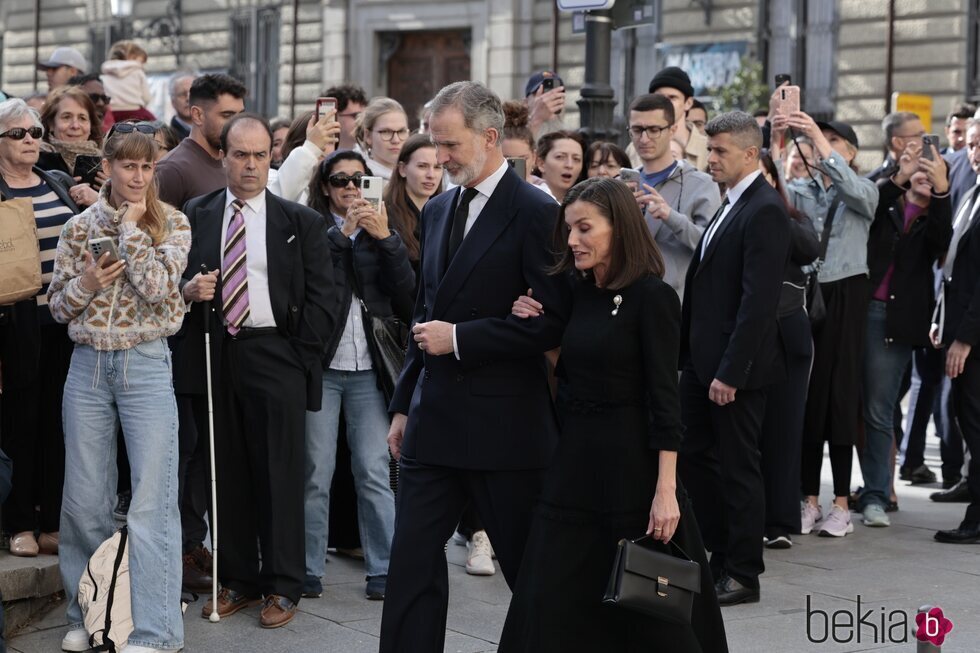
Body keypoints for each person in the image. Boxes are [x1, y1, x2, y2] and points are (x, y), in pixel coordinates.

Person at [378, 81, 570, 652]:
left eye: (450, 145)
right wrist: (402, 404)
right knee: (410, 563)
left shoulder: (537, 212)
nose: (439, 158)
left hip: (506, 428)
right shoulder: (438, 209)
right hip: (434, 419)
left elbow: (554, 320)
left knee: (529, 570)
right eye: (435, 144)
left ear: (489, 138)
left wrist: (462, 338)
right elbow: (425, 314)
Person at [498, 177, 728, 652]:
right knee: (554, 595)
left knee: (646, 606)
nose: (573, 241)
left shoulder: (653, 297)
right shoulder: (581, 294)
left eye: (585, 228)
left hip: (633, 471)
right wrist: (541, 335)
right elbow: (581, 372)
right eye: (568, 229)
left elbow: (666, 401)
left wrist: (666, 493)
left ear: (619, 228)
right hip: (575, 465)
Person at [177, 113, 336, 628]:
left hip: (277, 353)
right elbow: (175, 279)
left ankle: (284, 585)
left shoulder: (300, 221)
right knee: (226, 471)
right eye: (240, 154)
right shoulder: (195, 213)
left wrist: (298, 355)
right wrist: (187, 292)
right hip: (215, 351)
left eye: (260, 155)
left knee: (281, 472)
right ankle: (238, 578)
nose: (250, 165)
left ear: (273, 156)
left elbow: (323, 300)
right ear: (222, 155)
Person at [48, 126, 190, 653]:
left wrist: (132, 232)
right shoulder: (78, 227)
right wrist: (86, 284)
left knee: (152, 501)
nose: (136, 176)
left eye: (145, 166)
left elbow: (157, 290)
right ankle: (86, 616)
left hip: (146, 365)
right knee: (84, 502)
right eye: (126, 166)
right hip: (86, 366)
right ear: (106, 167)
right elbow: (59, 307)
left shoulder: (171, 222)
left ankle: (156, 631)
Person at [677, 111, 790, 606]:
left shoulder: (764, 208)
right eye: (710, 149)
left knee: (738, 468)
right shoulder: (730, 203)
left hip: (733, 371)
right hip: (702, 365)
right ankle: (718, 557)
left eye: (721, 151)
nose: (711, 158)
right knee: (696, 460)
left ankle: (743, 572)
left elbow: (758, 302)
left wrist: (731, 372)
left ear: (751, 154)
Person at [302, 149, 414, 600]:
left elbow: (408, 296)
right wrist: (341, 235)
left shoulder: (385, 227)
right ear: (325, 186)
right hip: (324, 368)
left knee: (373, 468)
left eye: (359, 178)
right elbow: (312, 288)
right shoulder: (312, 228)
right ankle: (307, 568)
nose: (350, 187)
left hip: (370, 370)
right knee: (315, 471)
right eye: (340, 179)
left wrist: (384, 238)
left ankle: (384, 568)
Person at [774, 110, 879, 538]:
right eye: (822, 141)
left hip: (847, 294)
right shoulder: (802, 191)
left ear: (850, 154)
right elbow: (775, 198)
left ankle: (841, 504)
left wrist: (817, 136)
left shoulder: (864, 189)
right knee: (809, 396)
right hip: (808, 295)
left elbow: (857, 193)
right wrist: (779, 143)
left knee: (840, 393)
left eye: (836, 143)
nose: (824, 149)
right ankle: (810, 499)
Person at [856, 140, 953, 528]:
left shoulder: (937, 219)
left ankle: (877, 495)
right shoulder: (886, 198)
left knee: (879, 410)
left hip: (894, 323)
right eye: (920, 167)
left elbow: (943, 246)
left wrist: (942, 192)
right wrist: (898, 174)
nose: (925, 174)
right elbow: (871, 205)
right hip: (856, 312)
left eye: (934, 170)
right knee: (847, 403)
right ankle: (836, 493)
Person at [0, 98, 79, 558]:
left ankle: (52, 519)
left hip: (63, 320)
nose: (30, 140)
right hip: (16, 322)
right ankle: (19, 523)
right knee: (20, 422)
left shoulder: (55, 181)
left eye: (34, 133)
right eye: (18, 134)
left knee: (59, 422)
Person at [756, 150, 820, 549]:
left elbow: (809, 250)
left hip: (789, 334)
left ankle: (780, 521)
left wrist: (774, 210)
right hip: (748, 335)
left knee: (786, 427)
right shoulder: (730, 217)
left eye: (765, 176)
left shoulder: (791, 217)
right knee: (751, 430)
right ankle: (753, 516)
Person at [932, 118, 980, 545]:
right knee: (966, 419)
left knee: (976, 421)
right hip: (957, 321)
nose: (973, 151)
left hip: (975, 336)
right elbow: (953, 266)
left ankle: (977, 518)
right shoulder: (973, 191)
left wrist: (963, 337)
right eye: (972, 143)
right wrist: (940, 318)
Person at [626, 93, 721, 300]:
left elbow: (714, 248)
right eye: (637, 130)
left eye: (654, 130)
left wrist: (671, 217)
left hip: (676, 303)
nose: (644, 139)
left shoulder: (702, 184)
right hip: (625, 299)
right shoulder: (622, 184)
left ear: (673, 130)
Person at [155, 73, 246, 208]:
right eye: (227, 115)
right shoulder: (171, 171)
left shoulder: (233, 162)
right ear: (198, 115)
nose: (237, 124)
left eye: (241, 115)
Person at [382, 133, 444, 278]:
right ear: (402, 169)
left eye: (437, 167)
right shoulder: (385, 215)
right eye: (422, 166)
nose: (431, 175)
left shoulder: (447, 213)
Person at [37, 86, 103, 207]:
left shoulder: (107, 164)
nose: (75, 125)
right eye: (66, 117)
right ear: (51, 124)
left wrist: (111, 191)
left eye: (82, 118)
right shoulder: (37, 162)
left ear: (90, 125)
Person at [268, 109, 341, 204]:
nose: (322, 147)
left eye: (330, 141)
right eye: (316, 140)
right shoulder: (272, 178)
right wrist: (311, 148)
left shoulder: (341, 184)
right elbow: (277, 201)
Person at [646, 66, 708, 171]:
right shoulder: (638, 146)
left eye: (672, 97)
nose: (665, 103)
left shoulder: (707, 149)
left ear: (688, 103)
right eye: (659, 97)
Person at [100, 40, 156, 123]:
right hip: (136, 113)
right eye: (141, 61)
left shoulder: (103, 76)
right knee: (158, 129)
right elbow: (147, 98)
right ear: (132, 57)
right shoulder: (138, 72)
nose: (142, 65)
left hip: (112, 115)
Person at [353, 97, 409, 179]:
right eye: (386, 132)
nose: (396, 140)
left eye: (401, 131)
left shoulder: (416, 175)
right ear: (368, 136)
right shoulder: (355, 178)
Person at [868, 112, 925, 181]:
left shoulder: (933, 172)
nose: (926, 140)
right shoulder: (872, 184)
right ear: (898, 143)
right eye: (919, 135)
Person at [534, 130, 585, 203]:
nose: (569, 165)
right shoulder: (526, 198)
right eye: (560, 157)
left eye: (576, 159)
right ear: (541, 163)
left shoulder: (583, 204)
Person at [323, 83, 368, 151]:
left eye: (365, 117)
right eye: (356, 116)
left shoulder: (369, 156)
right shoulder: (315, 156)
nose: (362, 122)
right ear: (334, 117)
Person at [524, 71, 566, 139]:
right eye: (543, 95)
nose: (548, 102)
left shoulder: (572, 139)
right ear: (525, 103)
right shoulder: (510, 135)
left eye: (556, 95)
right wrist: (536, 120)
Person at [167, 72, 196, 140]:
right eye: (182, 94)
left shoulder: (212, 132)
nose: (188, 98)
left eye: (193, 93)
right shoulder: (168, 139)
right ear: (173, 101)